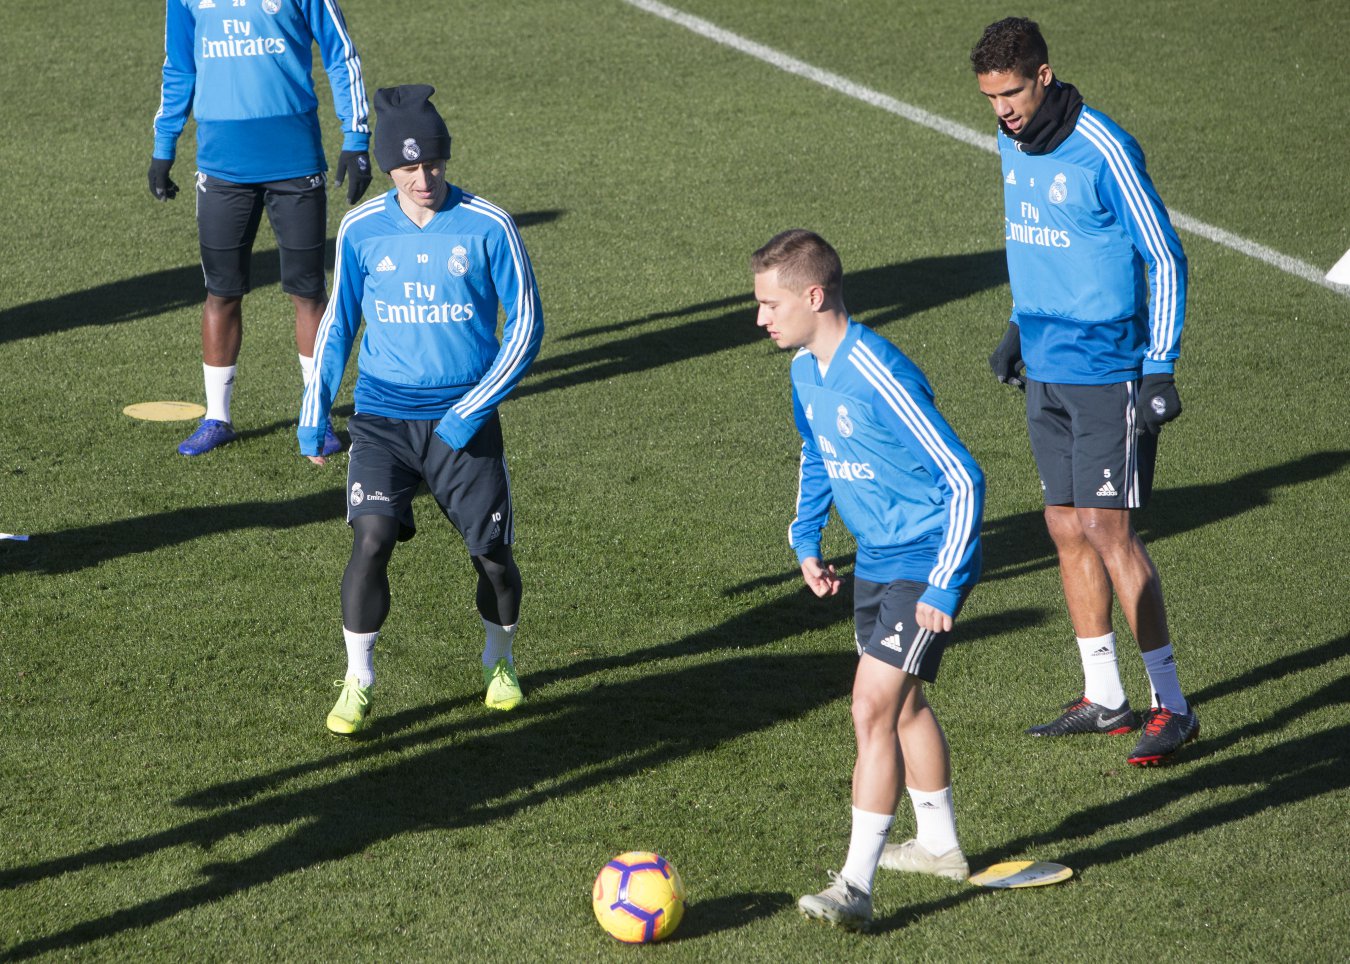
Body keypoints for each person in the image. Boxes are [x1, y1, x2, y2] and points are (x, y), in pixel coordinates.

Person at [970, 17, 1198, 766]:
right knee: (1064, 526)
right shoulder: (1011, 139)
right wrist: (1019, 323)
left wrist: (1159, 365)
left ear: (1043, 75)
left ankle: (1173, 705)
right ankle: (1104, 698)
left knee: (1110, 532)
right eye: (990, 97)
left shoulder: (1104, 148)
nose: (1001, 110)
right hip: (1046, 361)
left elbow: (1163, 257)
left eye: (1010, 93)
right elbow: (1035, 239)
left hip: (1109, 368)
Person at [752, 230, 985, 931]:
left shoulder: (880, 371)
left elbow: (964, 477)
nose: (761, 319)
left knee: (870, 709)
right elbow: (817, 454)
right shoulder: (804, 373)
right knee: (904, 707)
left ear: (813, 297)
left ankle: (855, 886)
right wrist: (805, 537)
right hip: (876, 561)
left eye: (769, 304)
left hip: (924, 558)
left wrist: (946, 581)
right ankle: (940, 845)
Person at [299, 85, 543, 736]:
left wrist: (473, 408)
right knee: (371, 538)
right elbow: (338, 322)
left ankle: (499, 660)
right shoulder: (362, 229)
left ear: (446, 158)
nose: (422, 178)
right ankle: (360, 677)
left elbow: (526, 327)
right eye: (408, 167)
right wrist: (313, 408)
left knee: (492, 555)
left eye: (432, 163)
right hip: (382, 418)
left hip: (464, 421)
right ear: (388, 168)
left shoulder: (488, 225)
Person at [150, 0, 373, 456]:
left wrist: (356, 135)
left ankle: (318, 415)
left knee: (308, 290)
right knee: (221, 290)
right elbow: (179, 65)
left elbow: (340, 53)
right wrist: (164, 144)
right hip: (222, 161)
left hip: (295, 158)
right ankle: (217, 418)